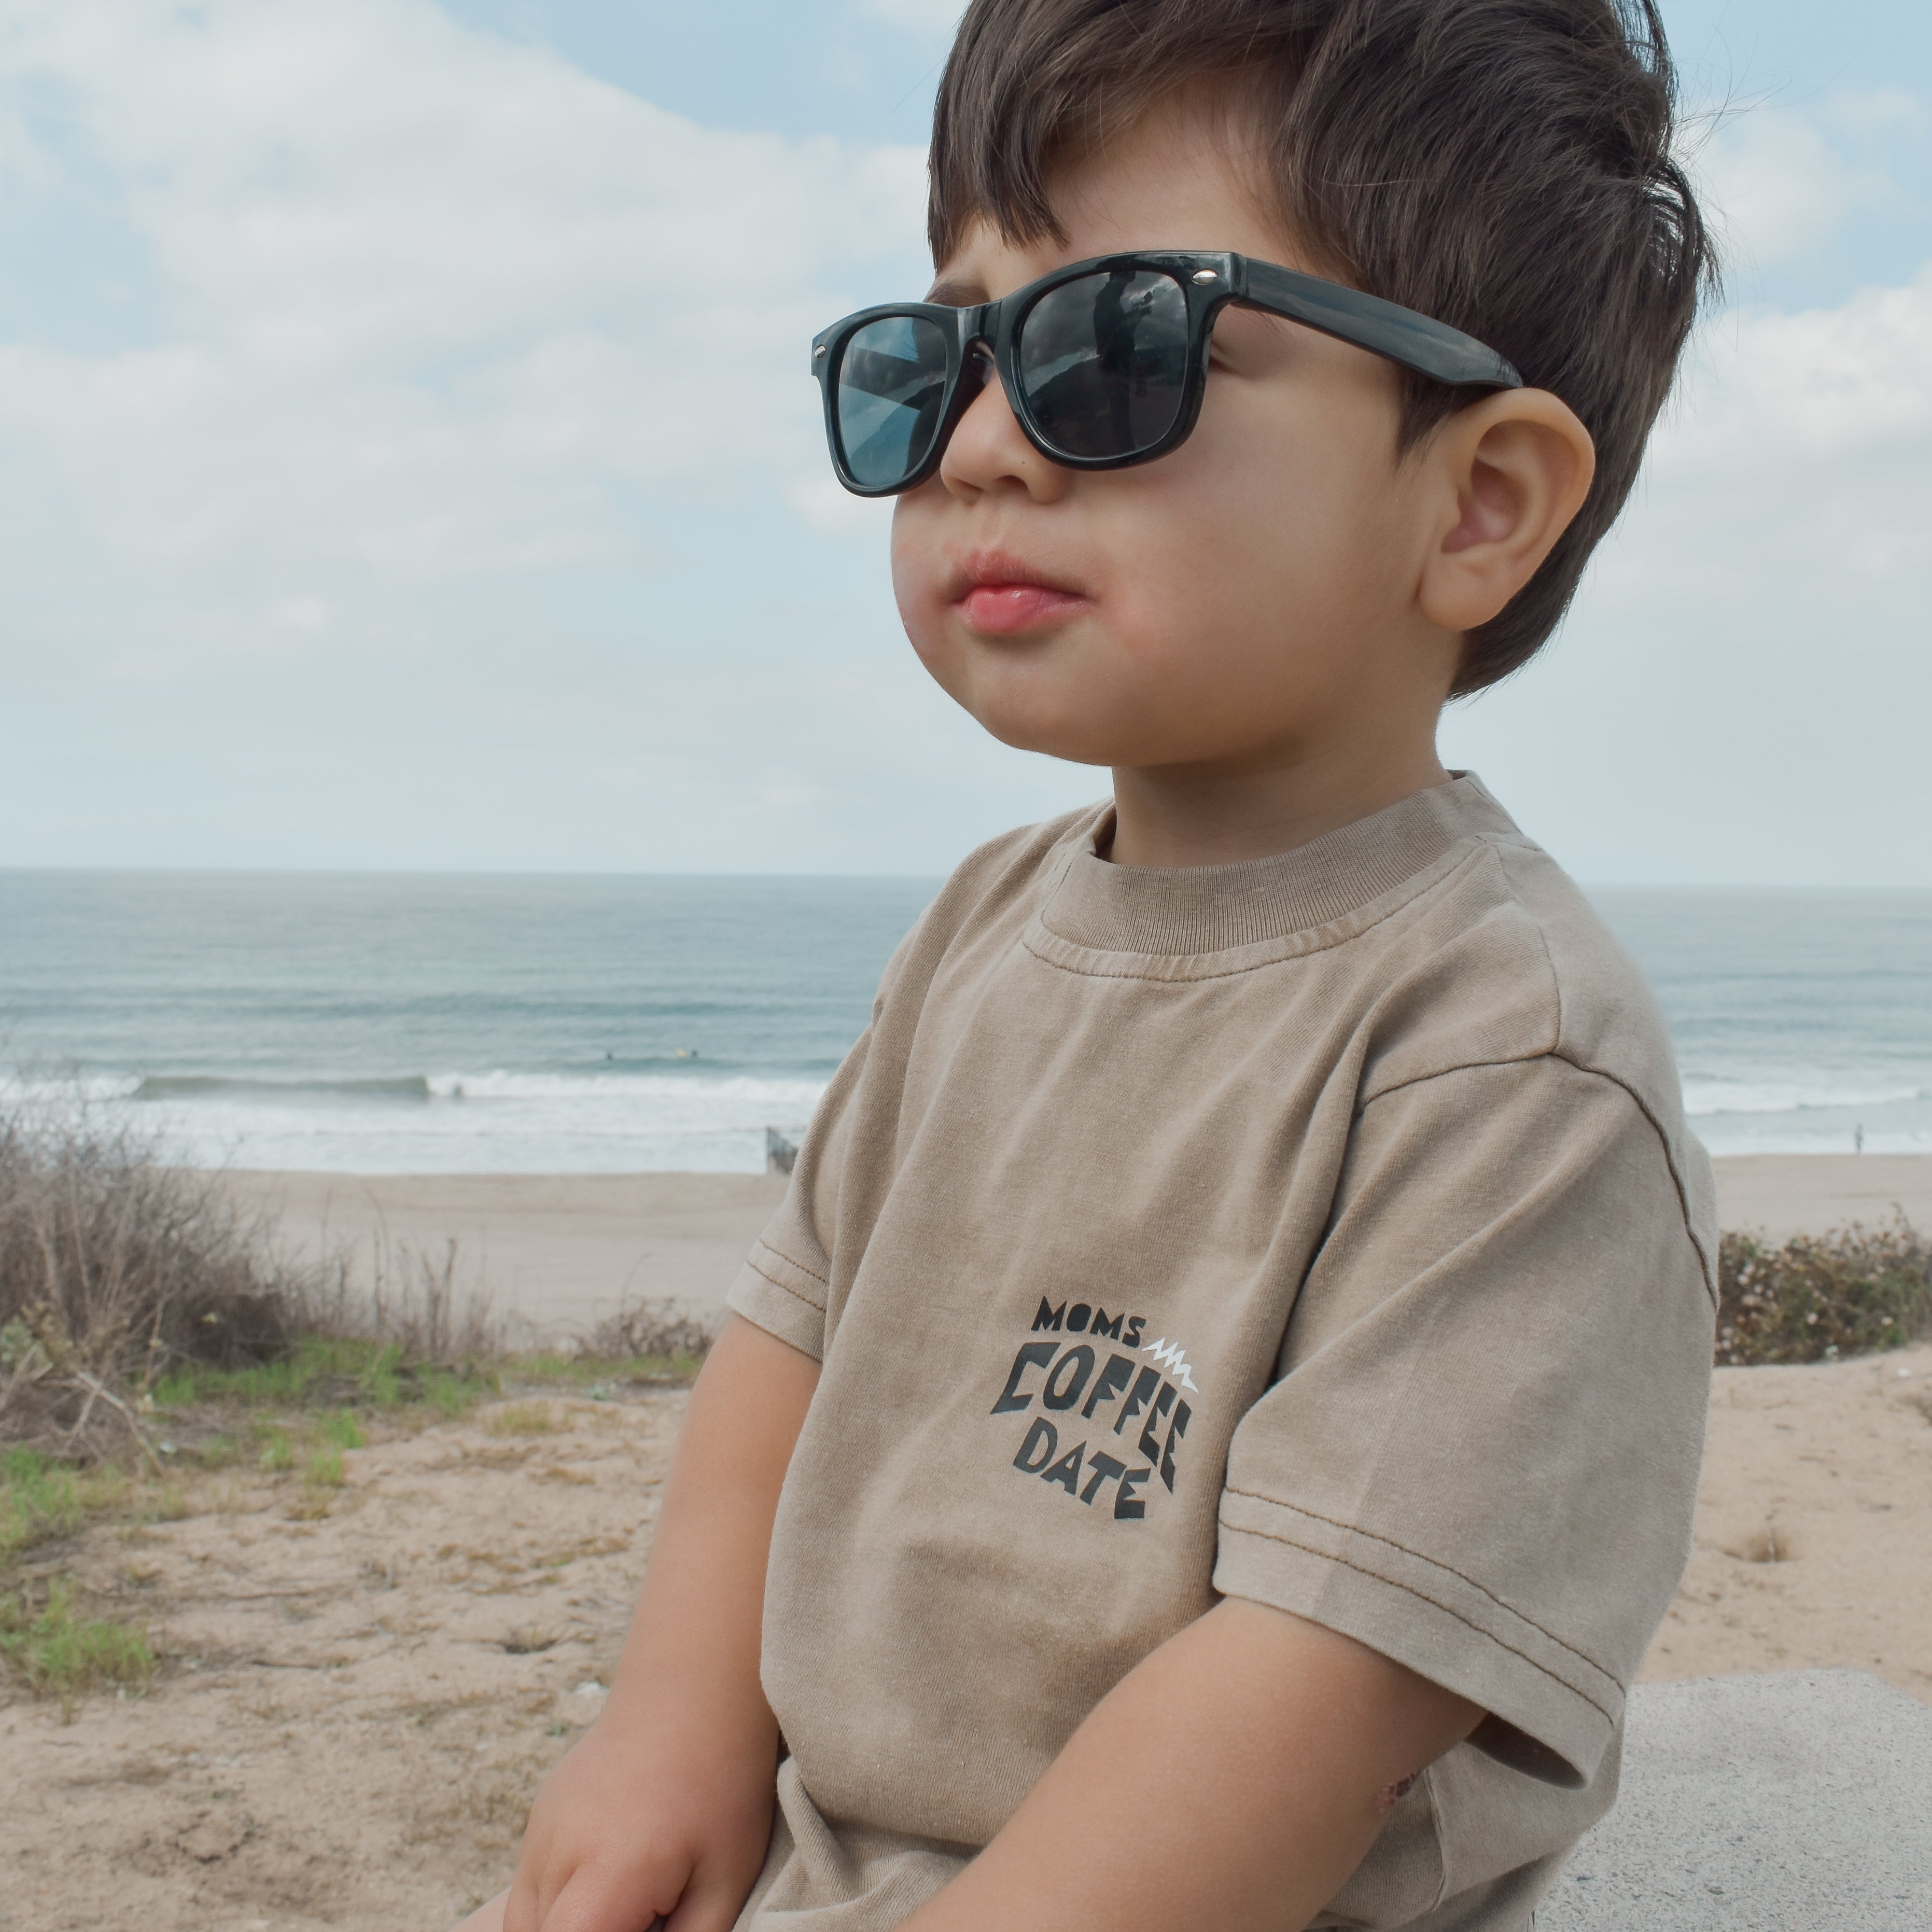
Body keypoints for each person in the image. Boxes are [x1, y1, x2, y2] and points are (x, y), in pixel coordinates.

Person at [460, 2, 1719, 1927]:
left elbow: (1317, 1684)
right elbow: (785, 1347)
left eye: (1111, 351)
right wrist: (676, 1722)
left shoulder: (1503, 1056)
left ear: (1475, 501)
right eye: (933, 356)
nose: (974, 444)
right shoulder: (986, 921)